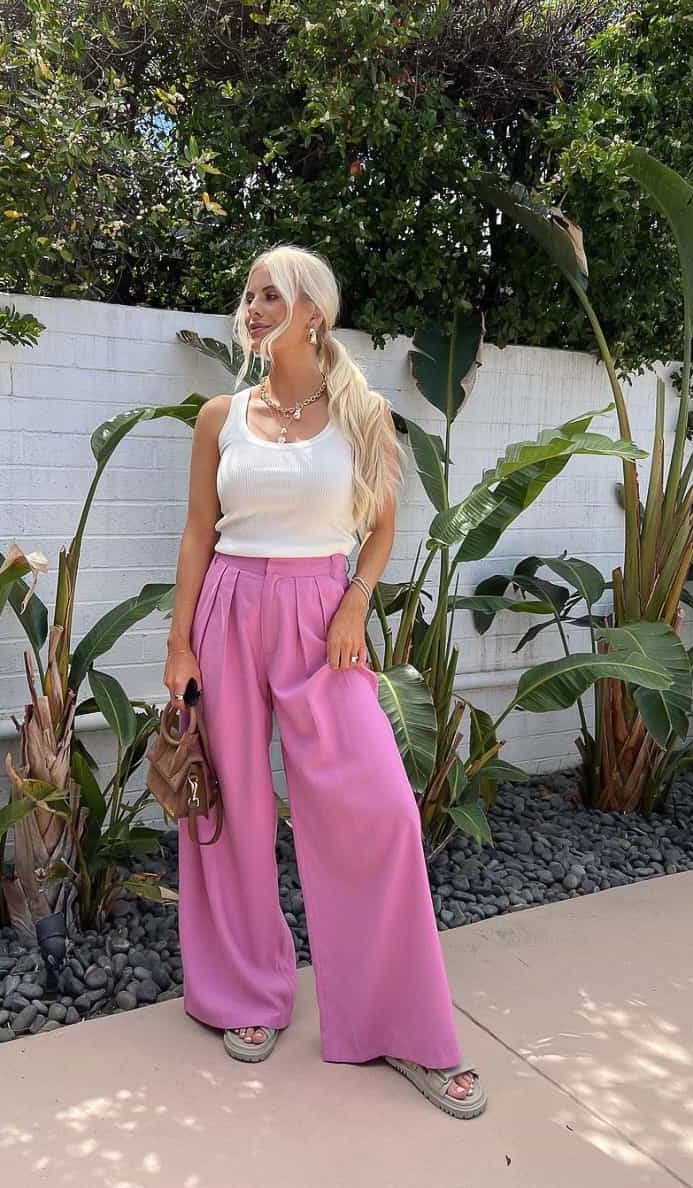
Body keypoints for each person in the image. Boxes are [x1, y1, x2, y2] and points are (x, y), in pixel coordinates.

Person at [161, 243, 486, 1120]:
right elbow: (199, 533)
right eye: (250, 293)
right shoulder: (221, 415)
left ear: (315, 311)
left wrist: (354, 606)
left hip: (320, 614)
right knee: (232, 808)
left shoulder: (362, 413)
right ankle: (244, 997)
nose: (255, 305)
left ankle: (401, 1026)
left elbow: (380, 528)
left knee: (377, 808)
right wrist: (179, 644)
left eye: (274, 294)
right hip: (227, 605)